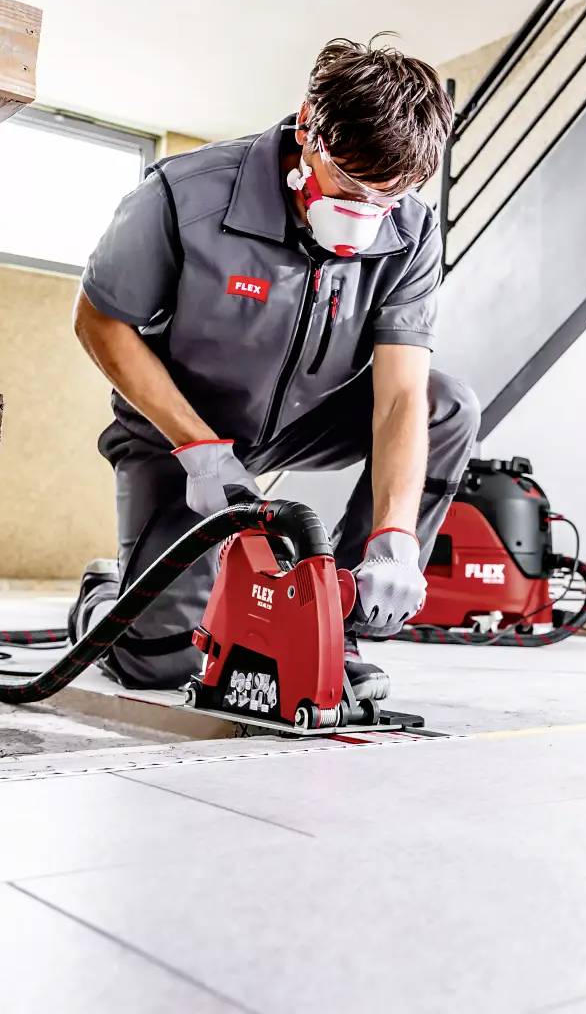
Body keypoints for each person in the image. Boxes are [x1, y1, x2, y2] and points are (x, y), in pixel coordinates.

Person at [68, 35, 477, 689]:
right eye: (348, 186)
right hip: (182, 430)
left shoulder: (413, 230)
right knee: (159, 663)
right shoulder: (187, 195)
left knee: (447, 403)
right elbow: (99, 321)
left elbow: (402, 395)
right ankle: (106, 596)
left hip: (308, 421)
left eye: (386, 198)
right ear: (310, 126)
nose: (365, 216)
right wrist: (200, 450)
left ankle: (334, 630)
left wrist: (395, 535)